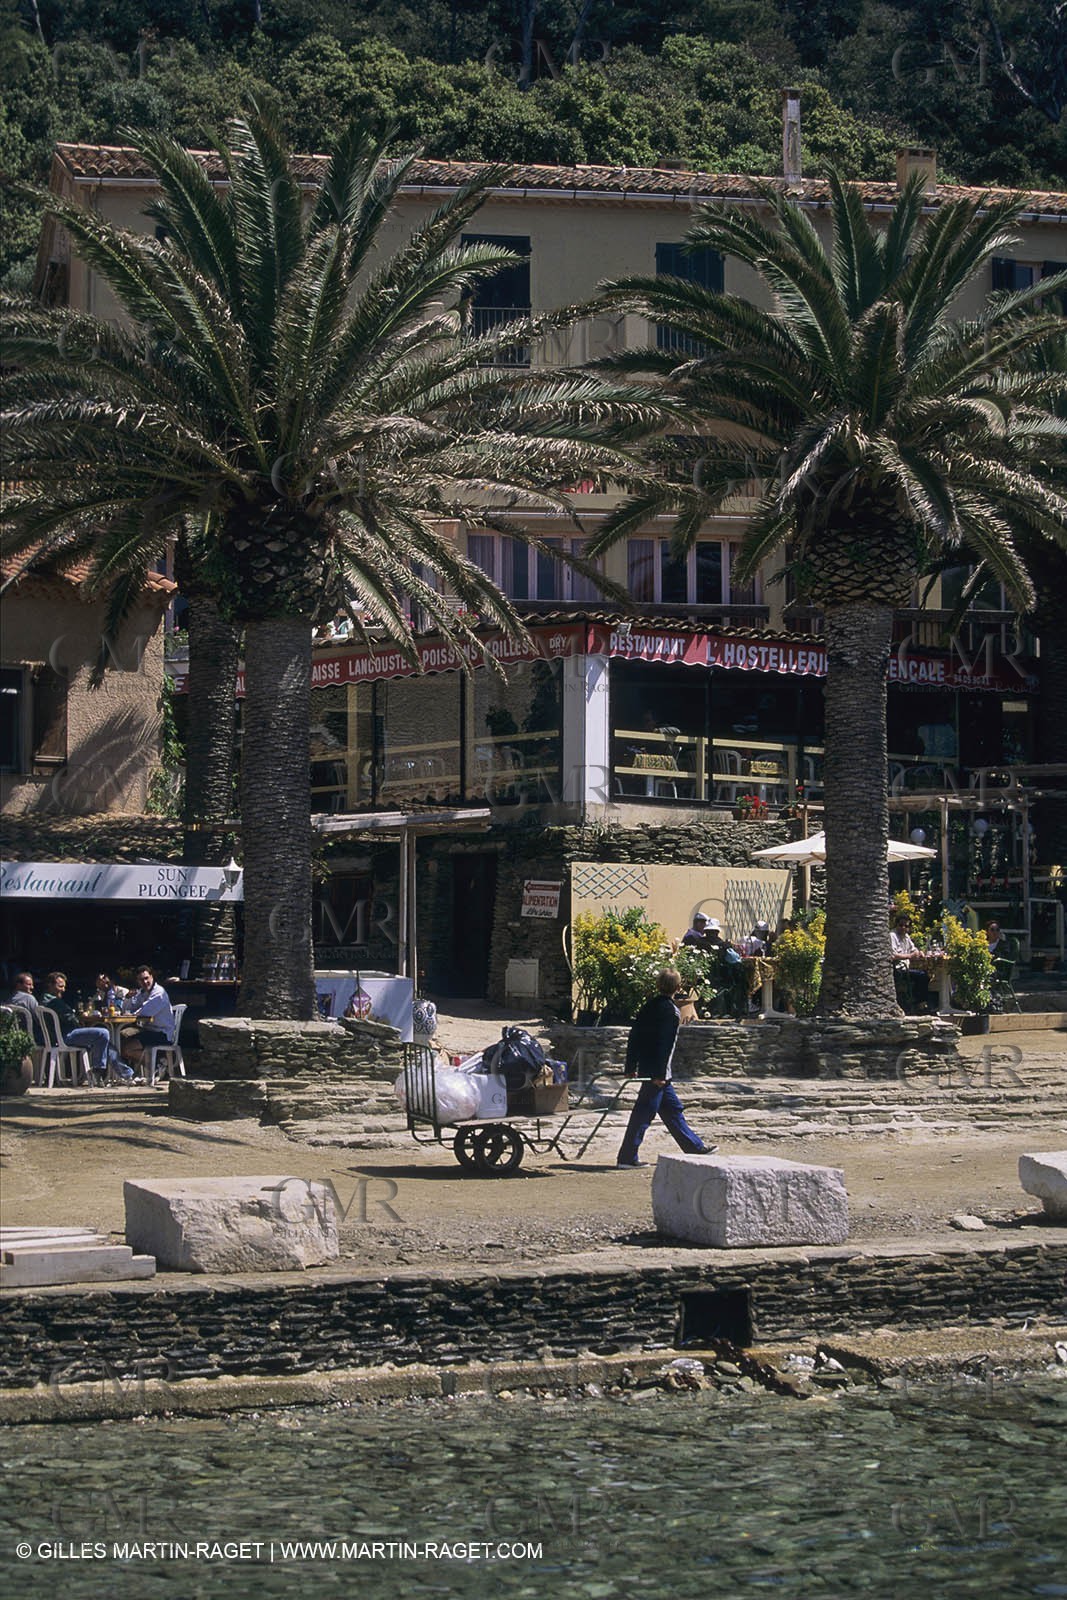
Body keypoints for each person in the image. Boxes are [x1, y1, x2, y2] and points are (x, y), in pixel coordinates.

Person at [616, 968, 716, 1168]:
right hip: (657, 1071)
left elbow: (634, 1037)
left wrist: (630, 1064)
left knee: (672, 1110)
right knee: (644, 1112)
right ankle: (627, 1157)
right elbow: (664, 1044)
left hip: (652, 1068)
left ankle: (694, 1147)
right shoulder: (671, 1011)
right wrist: (660, 1074)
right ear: (678, 988)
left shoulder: (648, 1006)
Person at [40, 971, 131, 1083]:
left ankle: (125, 1074)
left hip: (56, 1036)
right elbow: (70, 1019)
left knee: (103, 1039)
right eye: (60, 986)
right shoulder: (54, 1001)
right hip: (64, 1036)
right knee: (103, 1033)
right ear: (50, 985)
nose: (63, 989)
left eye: (64, 986)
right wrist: (79, 1019)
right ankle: (99, 1071)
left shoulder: (44, 999)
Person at [120, 964, 175, 1064]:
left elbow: (144, 1013)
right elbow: (128, 1009)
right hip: (148, 1030)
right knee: (121, 1038)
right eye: (141, 980)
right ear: (138, 982)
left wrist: (131, 1014)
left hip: (162, 1033)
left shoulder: (159, 993)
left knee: (126, 1049)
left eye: (146, 978)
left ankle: (158, 1064)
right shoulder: (142, 992)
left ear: (152, 977)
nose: (145, 982)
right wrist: (128, 998)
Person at [891, 915, 930, 1011]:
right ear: (896, 925)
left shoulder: (906, 936)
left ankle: (919, 1001)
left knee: (927, 974)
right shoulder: (892, 936)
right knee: (922, 976)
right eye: (901, 925)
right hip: (898, 969)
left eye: (906, 926)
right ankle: (918, 1003)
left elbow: (913, 949)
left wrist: (919, 952)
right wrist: (910, 956)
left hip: (907, 968)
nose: (903, 928)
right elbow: (893, 955)